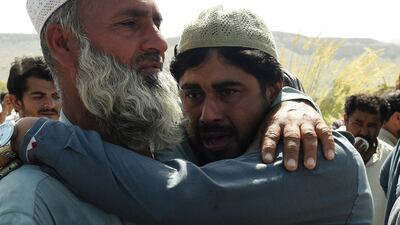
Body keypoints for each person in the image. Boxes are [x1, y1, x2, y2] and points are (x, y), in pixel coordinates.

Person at [4, 3, 371, 225]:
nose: (209, 113)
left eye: (229, 92)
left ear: (272, 89)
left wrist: (35, 135)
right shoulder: (32, 202)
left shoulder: (314, 151)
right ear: (63, 42)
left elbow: (183, 199)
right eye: (193, 93)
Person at [342, 93, 392, 225]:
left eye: (371, 126)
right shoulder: (327, 150)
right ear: (346, 120)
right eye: (358, 124)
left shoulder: (390, 159)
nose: (363, 132)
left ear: (381, 125)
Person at [7, 56, 61, 120]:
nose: (51, 105)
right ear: (16, 102)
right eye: (39, 97)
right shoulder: (6, 129)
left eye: (56, 96)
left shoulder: (72, 129)